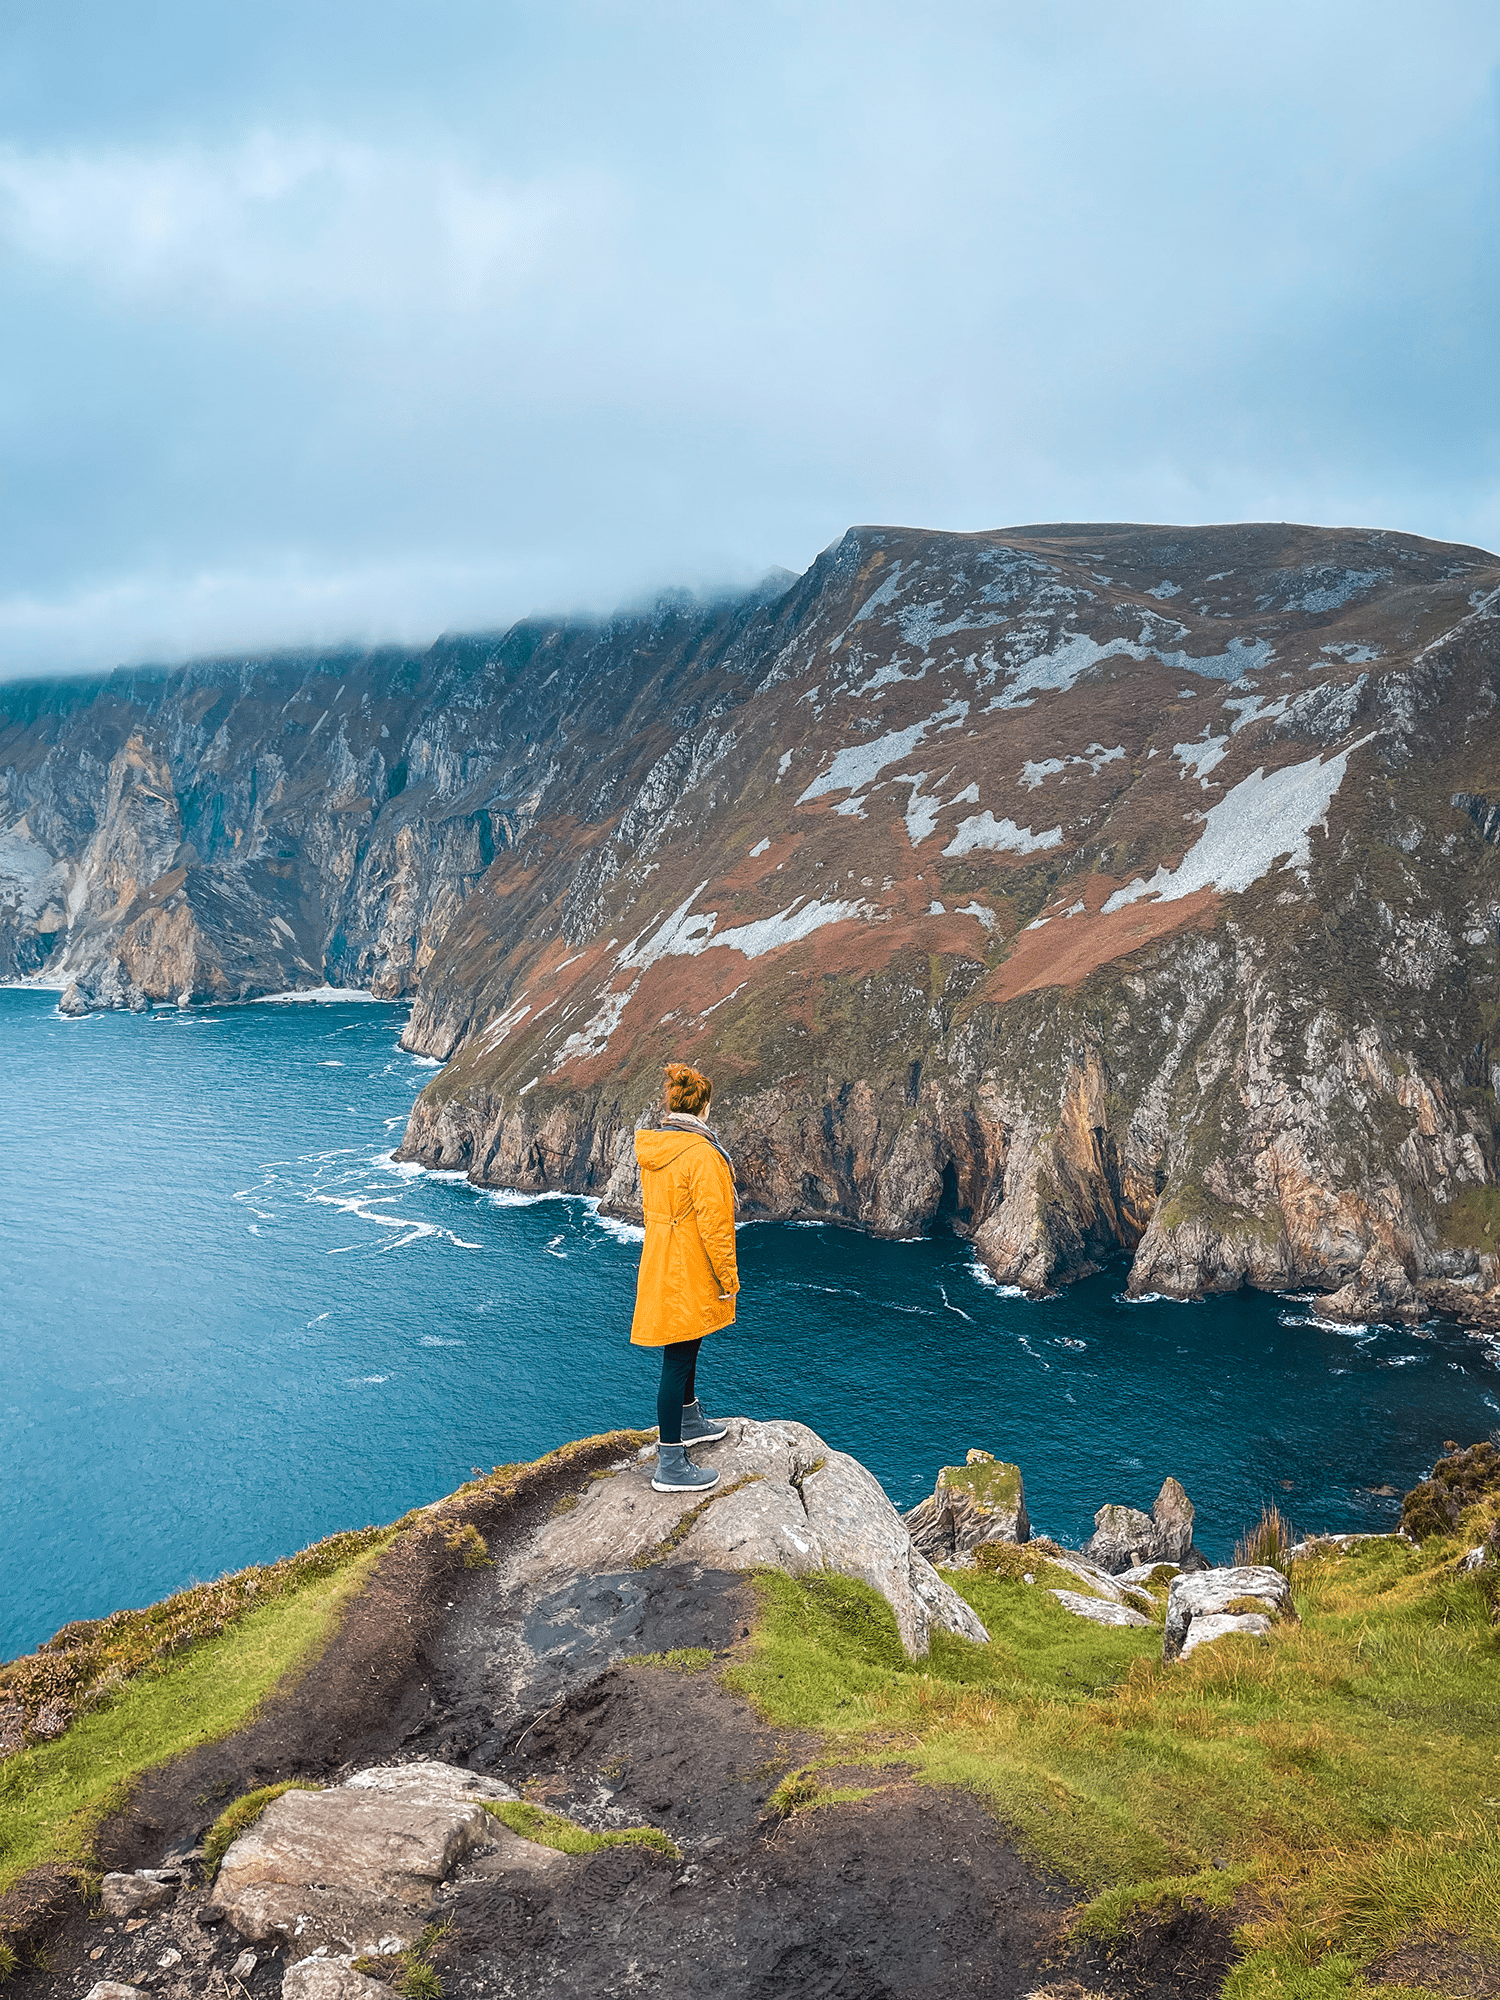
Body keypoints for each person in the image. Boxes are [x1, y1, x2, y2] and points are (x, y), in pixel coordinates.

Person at [630, 1062, 738, 1492]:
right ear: (704, 1108)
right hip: (689, 1262)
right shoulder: (702, 1155)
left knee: (686, 1344)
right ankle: (670, 1462)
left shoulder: (656, 1147)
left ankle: (690, 1420)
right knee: (677, 1356)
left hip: (661, 1256)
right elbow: (716, 1224)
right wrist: (728, 1277)